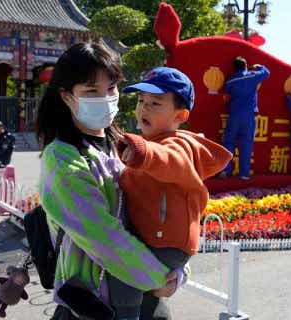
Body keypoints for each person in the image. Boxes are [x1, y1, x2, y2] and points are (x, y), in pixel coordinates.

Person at [36, 43, 182, 320]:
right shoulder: (62, 158)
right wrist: (157, 277)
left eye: (111, 88)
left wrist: (176, 268)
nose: (105, 98)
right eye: (91, 91)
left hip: (148, 296)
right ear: (67, 97)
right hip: (96, 304)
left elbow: (165, 209)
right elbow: (102, 235)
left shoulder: (127, 146)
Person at [111, 67, 232, 319]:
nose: (144, 108)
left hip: (164, 241)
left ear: (181, 115)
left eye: (155, 103)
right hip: (155, 237)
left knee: (124, 275)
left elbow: (168, 159)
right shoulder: (149, 143)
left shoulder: (177, 144)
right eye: (141, 101)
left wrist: (142, 153)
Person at [220, 56, 270, 179]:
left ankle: (225, 171)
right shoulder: (252, 76)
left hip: (234, 114)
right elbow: (267, 72)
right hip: (249, 116)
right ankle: (244, 174)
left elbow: (225, 98)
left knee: (228, 143)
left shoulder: (230, 80)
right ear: (246, 66)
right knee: (246, 144)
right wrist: (258, 66)